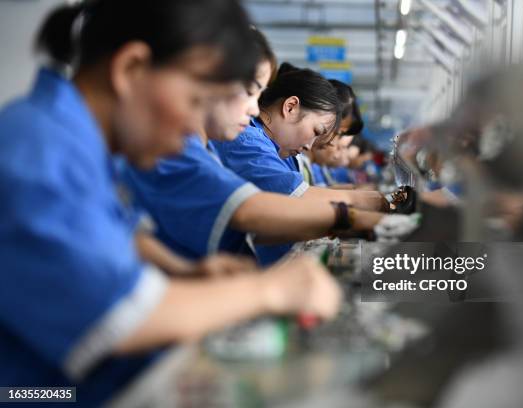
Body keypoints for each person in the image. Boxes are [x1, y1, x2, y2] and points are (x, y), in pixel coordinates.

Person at [0, 2, 341, 404]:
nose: (196, 128)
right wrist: (269, 290)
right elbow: (123, 318)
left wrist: (185, 270)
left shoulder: (78, 140)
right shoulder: (39, 152)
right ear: (131, 70)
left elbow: (116, 233)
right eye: (197, 101)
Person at [122, 31, 405, 266]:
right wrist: (364, 215)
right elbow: (251, 211)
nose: (255, 107)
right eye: (249, 90)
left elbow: (254, 227)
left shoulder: (200, 148)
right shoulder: (233, 142)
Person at [213, 63, 392, 264]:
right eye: (316, 132)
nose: (311, 146)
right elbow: (298, 200)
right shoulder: (248, 142)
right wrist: (370, 205)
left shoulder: (277, 150)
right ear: (290, 107)